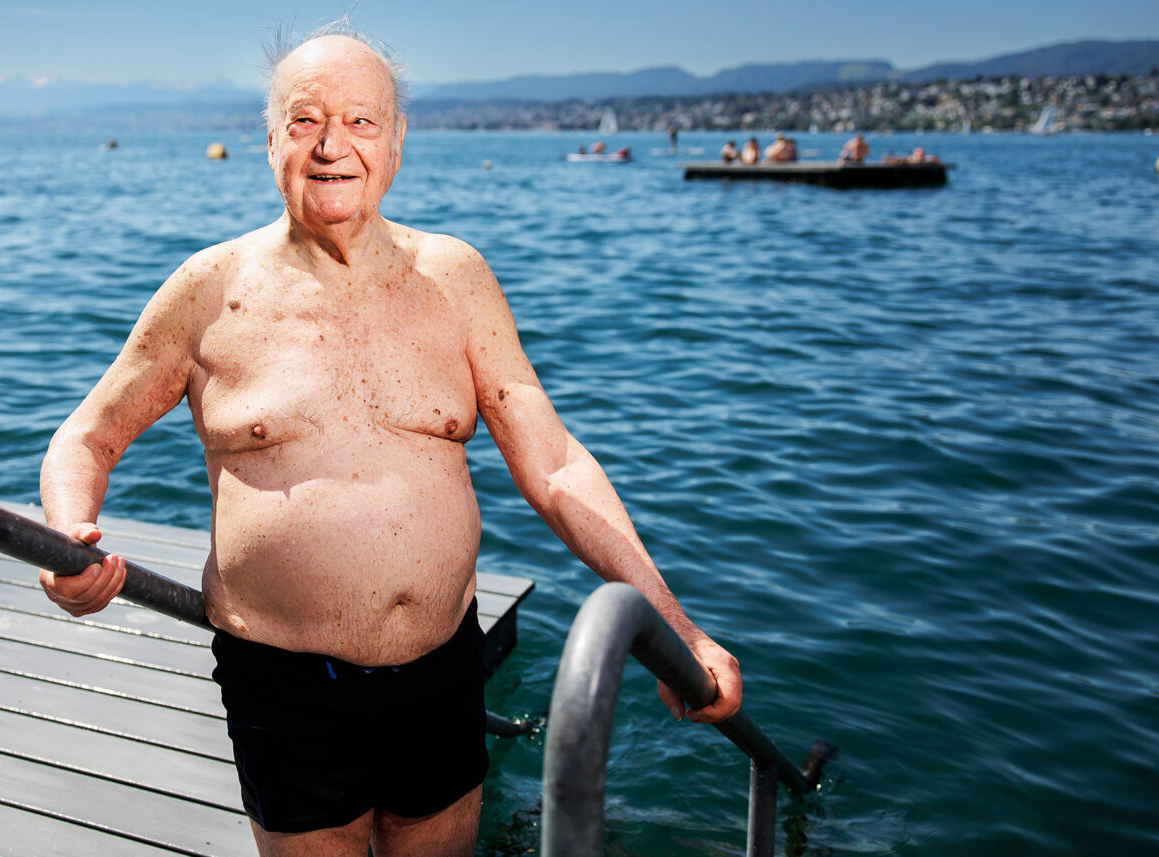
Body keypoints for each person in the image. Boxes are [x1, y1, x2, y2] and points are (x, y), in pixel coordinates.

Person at [38, 25, 742, 857]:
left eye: (362, 122)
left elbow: (553, 464)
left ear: (398, 141)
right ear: (269, 141)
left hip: (443, 670)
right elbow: (88, 434)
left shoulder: (454, 278)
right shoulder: (209, 289)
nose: (334, 146)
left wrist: (676, 630)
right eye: (305, 121)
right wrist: (66, 543)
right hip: (284, 685)